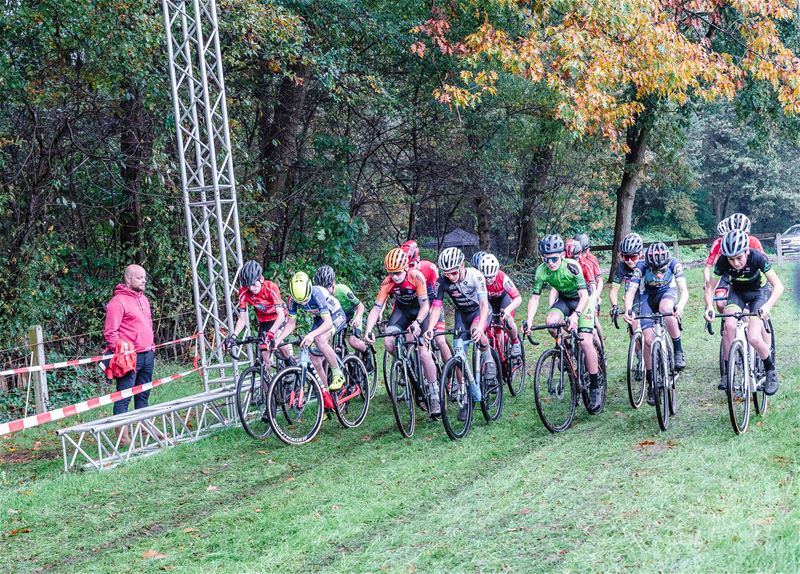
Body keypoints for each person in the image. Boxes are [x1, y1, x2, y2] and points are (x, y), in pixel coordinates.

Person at [523, 235, 602, 410]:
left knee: (586, 340)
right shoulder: (541, 271)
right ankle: (568, 346)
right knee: (551, 322)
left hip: (583, 300)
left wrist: (575, 316)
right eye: (546, 258)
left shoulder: (572, 267)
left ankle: (595, 386)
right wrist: (528, 321)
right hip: (565, 300)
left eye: (554, 258)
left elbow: (584, 296)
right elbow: (535, 298)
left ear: (561, 255)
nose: (550, 262)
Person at [704, 229, 784, 394]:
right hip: (737, 293)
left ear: (747, 251)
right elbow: (710, 287)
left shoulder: (757, 258)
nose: (735, 263)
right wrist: (709, 307)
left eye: (739, 257)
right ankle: (728, 371)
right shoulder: (724, 262)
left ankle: (770, 370)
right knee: (729, 326)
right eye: (731, 259)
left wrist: (767, 306)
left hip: (758, 294)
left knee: (754, 337)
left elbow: (778, 286)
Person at [365, 248, 440, 416]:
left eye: (398, 273)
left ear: (406, 268)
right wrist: (368, 330)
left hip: (420, 312)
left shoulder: (416, 277)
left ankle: (434, 393)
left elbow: (425, 306)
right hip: (402, 312)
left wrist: (418, 322)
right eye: (391, 273)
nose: (395, 276)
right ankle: (405, 362)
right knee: (389, 342)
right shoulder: (387, 282)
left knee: (423, 353)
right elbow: (376, 309)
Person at [425, 247, 496, 419]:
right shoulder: (443, 281)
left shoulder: (475, 276)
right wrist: (430, 328)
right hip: (461, 314)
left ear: (462, 265)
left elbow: (484, 305)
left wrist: (480, 328)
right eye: (446, 273)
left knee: (476, 332)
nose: (450, 276)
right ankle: (465, 397)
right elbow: (436, 307)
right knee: (458, 355)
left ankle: (490, 362)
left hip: (479, 311)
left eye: (454, 272)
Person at [623, 242, 689, 404]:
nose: (659, 275)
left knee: (666, 308)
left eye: (662, 270)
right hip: (648, 297)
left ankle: (678, 350)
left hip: (667, 293)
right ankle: (652, 381)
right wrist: (628, 309)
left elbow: (684, 290)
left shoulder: (674, 263)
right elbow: (631, 292)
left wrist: (680, 306)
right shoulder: (641, 266)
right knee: (648, 340)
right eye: (655, 271)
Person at [103, 264, 154, 444]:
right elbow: (110, 333)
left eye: (144, 277)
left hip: (148, 354)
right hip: (129, 358)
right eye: (139, 278)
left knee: (143, 395)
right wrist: (122, 351)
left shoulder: (145, 300)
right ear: (128, 279)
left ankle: (145, 428)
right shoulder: (117, 302)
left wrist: (151, 345)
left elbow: (147, 324)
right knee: (124, 396)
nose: (144, 280)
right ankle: (123, 438)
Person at [274, 272, 347, 392]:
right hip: (320, 317)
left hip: (335, 315)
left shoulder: (317, 293)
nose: (303, 303)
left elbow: (328, 322)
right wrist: (279, 339)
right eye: (300, 301)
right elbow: (291, 323)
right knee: (315, 360)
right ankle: (325, 396)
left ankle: (337, 373)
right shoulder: (293, 299)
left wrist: (312, 335)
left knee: (320, 339)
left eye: (305, 300)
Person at [225, 260, 292, 364]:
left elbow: (281, 316)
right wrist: (234, 336)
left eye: (253, 284)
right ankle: (267, 377)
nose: (251, 288)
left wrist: (271, 333)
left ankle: (288, 361)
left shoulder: (270, 287)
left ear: (261, 279)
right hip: (264, 320)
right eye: (248, 285)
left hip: (279, 316)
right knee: (263, 357)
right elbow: (242, 319)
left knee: (277, 338)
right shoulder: (243, 292)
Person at [401, 240, 452, 365]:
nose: (410, 270)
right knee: (409, 336)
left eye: (412, 265)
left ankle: (452, 376)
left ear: (418, 259)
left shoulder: (429, 267)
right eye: (407, 267)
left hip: (433, 303)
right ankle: (412, 368)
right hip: (418, 307)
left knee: (440, 340)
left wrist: (431, 313)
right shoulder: (404, 275)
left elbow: (437, 294)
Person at [313, 265, 370, 368]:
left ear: (333, 283)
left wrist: (357, 319)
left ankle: (367, 352)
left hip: (351, 315)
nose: (324, 291)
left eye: (327, 287)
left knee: (353, 341)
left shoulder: (343, 290)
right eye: (321, 288)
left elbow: (360, 306)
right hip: (336, 316)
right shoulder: (318, 295)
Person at [704, 214, 764, 309]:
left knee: (747, 312)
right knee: (720, 303)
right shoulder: (721, 243)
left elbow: (763, 263)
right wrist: (707, 282)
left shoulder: (754, 242)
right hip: (726, 273)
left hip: (749, 277)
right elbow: (709, 267)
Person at [479, 253, 523, 356]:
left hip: (504, 299)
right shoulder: (479, 279)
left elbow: (518, 298)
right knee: (488, 325)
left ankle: (515, 342)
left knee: (505, 320)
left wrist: (507, 310)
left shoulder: (502, 278)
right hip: (489, 302)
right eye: (486, 277)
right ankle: (497, 358)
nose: (488, 280)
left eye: (491, 277)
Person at [609, 232, 646, 331]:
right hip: (632, 295)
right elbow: (614, 290)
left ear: (640, 254)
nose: (629, 261)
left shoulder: (647, 262)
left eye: (633, 257)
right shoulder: (621, 267)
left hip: (647, 293)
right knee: (632, 323)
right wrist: (614, 306)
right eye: (626, 257)